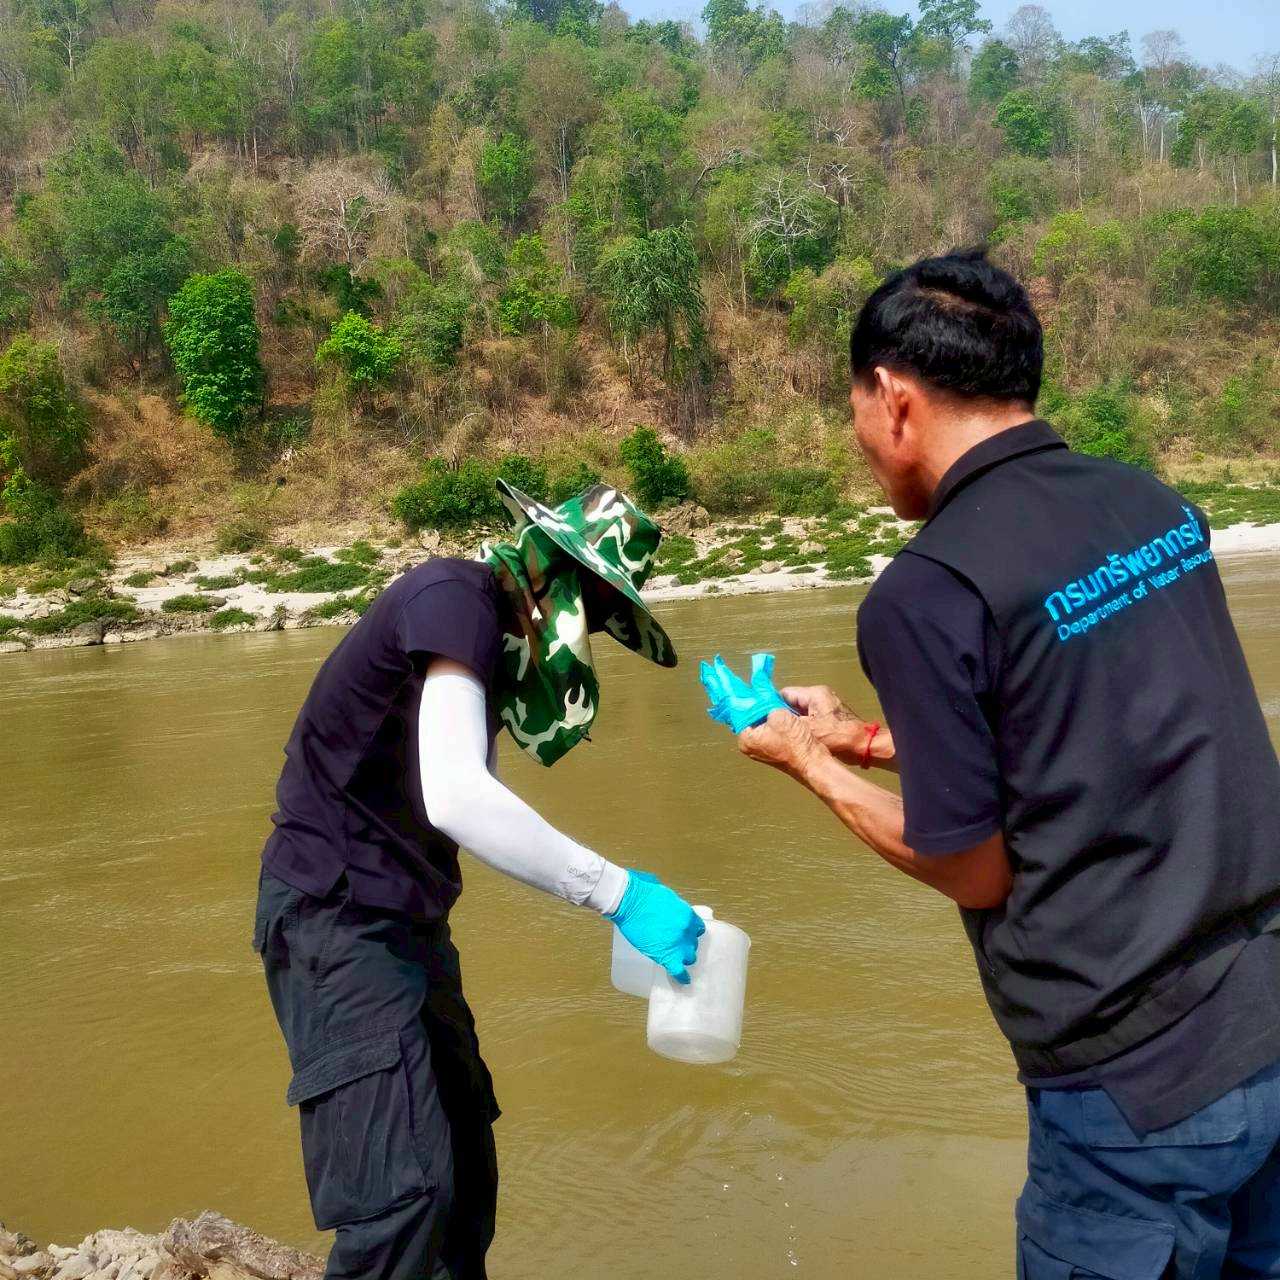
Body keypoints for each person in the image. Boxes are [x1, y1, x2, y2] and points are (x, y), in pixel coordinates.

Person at [727, 248, 1280, 1278]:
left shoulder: (924, 593)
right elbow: (1086, 729)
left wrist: (809, 763)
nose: (859, 440)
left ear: (892, 396)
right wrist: (867, 739)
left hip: (1133, 1092)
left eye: (854, 411)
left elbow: (973, 868)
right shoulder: (1149, 505)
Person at [251, 481, 705, 1280]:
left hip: (406, 920)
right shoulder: (452, 599)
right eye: (597, 609)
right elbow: (458, 796)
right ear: (555, 572)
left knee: (463, 1170)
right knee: (402, 1195)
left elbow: (463, 797)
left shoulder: (484, 640)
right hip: (334, 915)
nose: (592, 633)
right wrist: (618, 894)